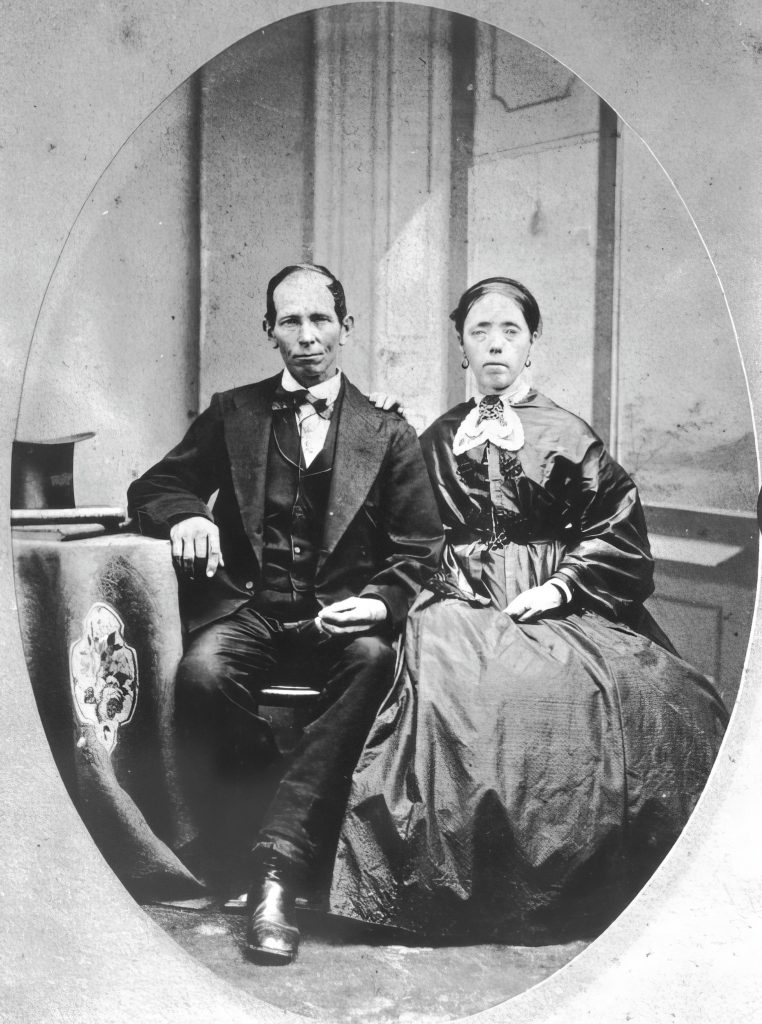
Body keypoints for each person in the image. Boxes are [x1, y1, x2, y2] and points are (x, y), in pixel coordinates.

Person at [328, 277, 729, 942]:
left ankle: (579, 886)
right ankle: (455, 893)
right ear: (461, 346)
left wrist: (561, 586)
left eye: (509, 331)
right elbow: (389, 525)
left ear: (532, 345)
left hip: (556, 599)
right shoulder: (433, 438)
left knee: (651, 697)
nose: (494, 345)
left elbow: (618, 531)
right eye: (480, 331)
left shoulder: (568, 433)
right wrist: (378, 432)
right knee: (450, 693)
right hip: (453, 595)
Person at [127, 263, 443, 964]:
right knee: (202, 674)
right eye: (290, 321)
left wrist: (378, 602)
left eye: (320, 320)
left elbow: (420, 544)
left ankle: (270, 871)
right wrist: (185, 516)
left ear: (346, 328)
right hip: (252, 611)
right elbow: (154, 486)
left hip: (344, 622)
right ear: (269, 330)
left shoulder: (388, 433)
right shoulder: (232, 413)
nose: (307, 336)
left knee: (373, 663)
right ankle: (285, 829)